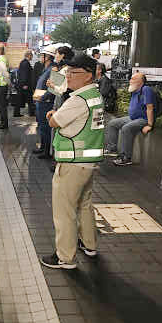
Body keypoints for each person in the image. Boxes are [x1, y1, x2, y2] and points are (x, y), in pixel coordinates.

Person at [41, 53, 104, 269]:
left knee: (64, 210)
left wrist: (51, 115)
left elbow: (55, 122)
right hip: (88, 162)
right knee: (84, 204)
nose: (68, 76)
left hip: (72, 164)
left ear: (88, 75)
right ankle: (89, 244)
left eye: (73, 73)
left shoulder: (78, 100)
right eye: (67, 72)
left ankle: (65, 257)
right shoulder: (94, 95)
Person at [106, 72, 155, 166]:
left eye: (133, 79)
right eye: (131, 78)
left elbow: (150, 107)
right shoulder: (134, 90)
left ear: (141, 81)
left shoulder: (146, 89)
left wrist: (149, 125)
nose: (130, 80)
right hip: (132, 118)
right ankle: (112, 149)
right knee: (112, 123)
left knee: (126, 128)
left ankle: (125, 157)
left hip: (143, 119)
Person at [32, 46, 56, 158]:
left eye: (43, 55)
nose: (41, 57)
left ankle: (46, 151)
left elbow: (52, 89)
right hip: (41, 102)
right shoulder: (45, 68)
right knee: (41, 126)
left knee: (45, 127)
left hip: (46, 103)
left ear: (48, 57)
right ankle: (42, 147)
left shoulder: (53, 69)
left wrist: (41, 98)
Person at [14, 50, 35, 117]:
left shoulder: (23, 62)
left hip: (22, 84)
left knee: (20, 99)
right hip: (24, 84)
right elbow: (24, 74)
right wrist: (24, 84)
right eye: (31, 55)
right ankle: (31, 112)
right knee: (29, 99)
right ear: (29, 55)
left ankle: (17, 113)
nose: (32, 57)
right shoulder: (26, 63)